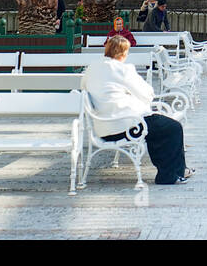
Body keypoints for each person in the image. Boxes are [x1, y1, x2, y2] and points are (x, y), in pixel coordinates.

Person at [81, 36, 191, 184]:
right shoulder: (123, 69)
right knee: (173, 128)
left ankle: (179, 170)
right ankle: (169, 175)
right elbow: (147, 94)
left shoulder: (92, 68)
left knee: (159, 126)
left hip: (103, 129)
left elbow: (84, 87)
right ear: (124, 53)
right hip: (127, 126)